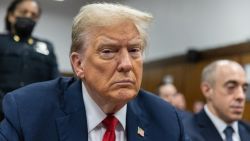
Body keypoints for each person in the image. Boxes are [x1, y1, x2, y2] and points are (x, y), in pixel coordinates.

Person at [0, 3, 188, 141]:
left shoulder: (167, 120)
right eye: (108, 51)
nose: (126, 64)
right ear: (79, 64)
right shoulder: (27, 111)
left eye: (134, 50)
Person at [0, 0, 59, 120]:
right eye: (24, 12)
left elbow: (54, 83)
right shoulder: (1, 41)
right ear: (11, 16)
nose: (28, 16)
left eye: (33, 15)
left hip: (35, 114)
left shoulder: (46, 46)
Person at [183, 60, 250, 141]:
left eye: (244, 89)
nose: (241, 96)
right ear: (207, 90)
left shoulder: (247, 129)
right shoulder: (185, 133)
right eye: (231, 87)